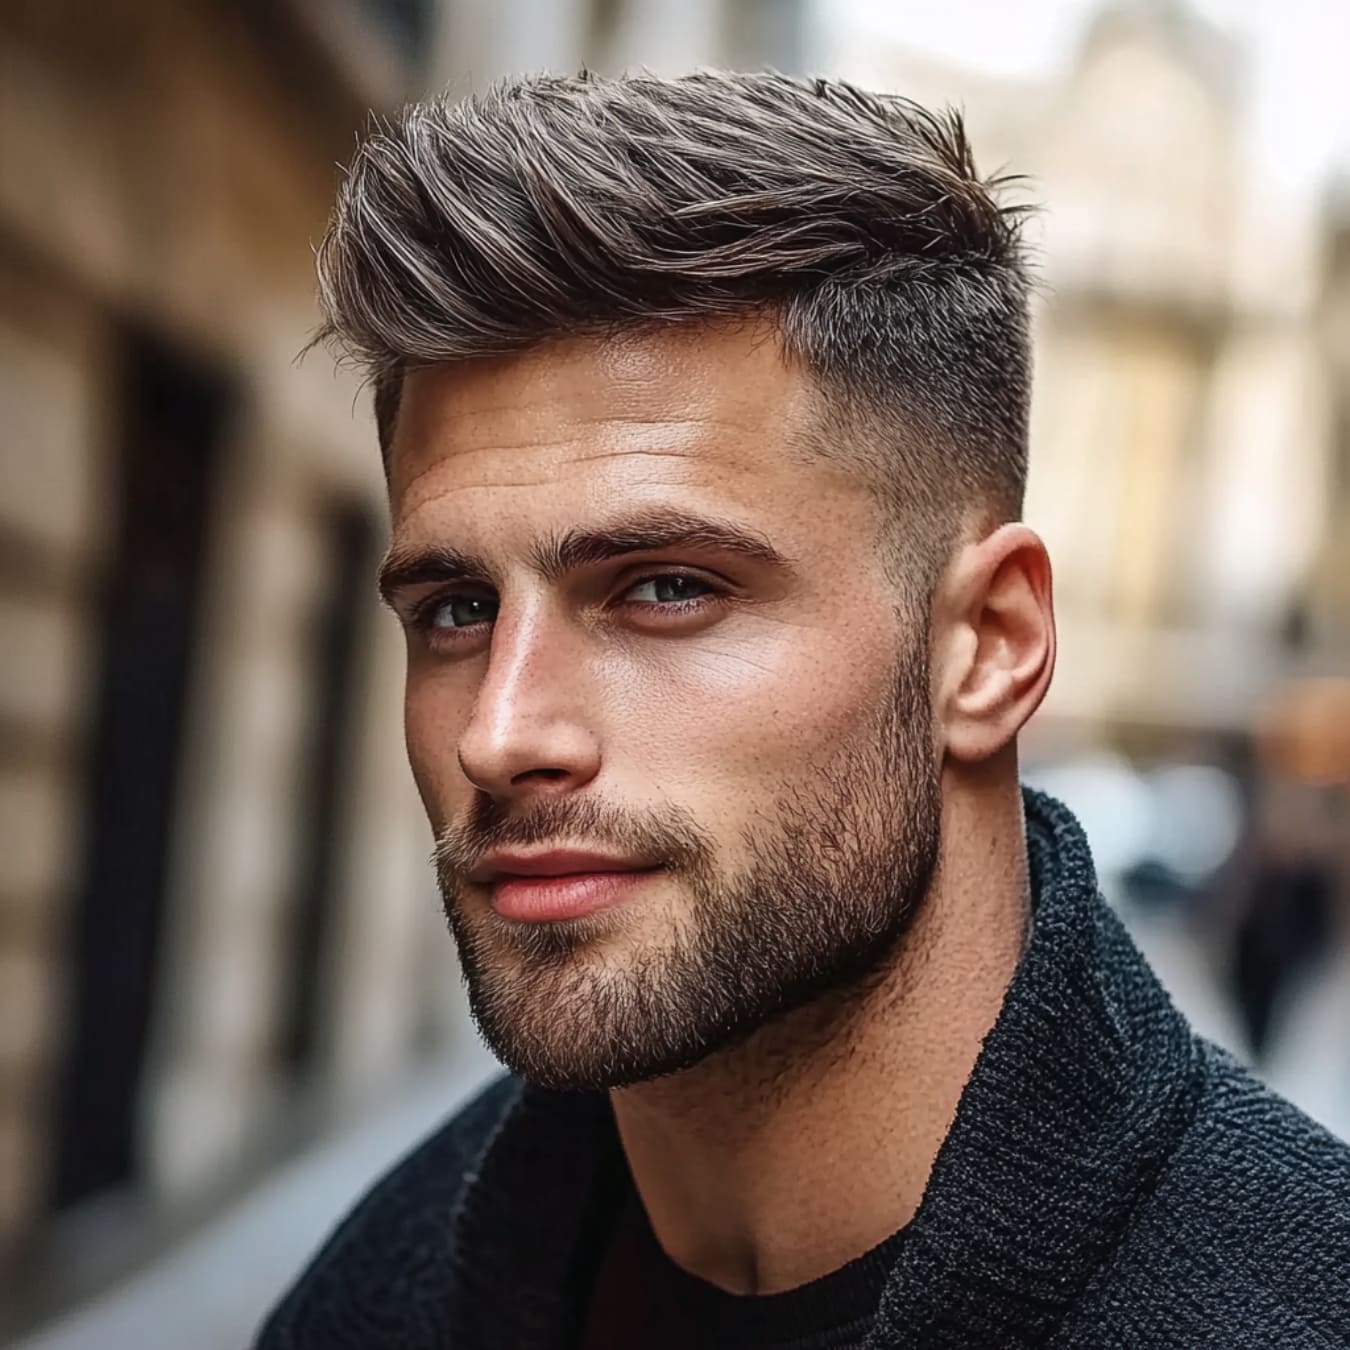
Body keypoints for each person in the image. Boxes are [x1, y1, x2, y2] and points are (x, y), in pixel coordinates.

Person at [256, 72, 1350, 1349]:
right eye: (454, 609)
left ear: (988, 647)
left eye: (667, 588)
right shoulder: (376, 1292)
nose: (499, 732)